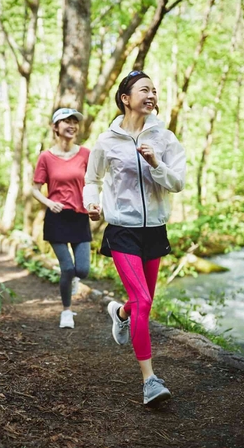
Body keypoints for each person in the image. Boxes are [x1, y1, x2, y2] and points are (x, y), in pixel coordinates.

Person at [83, 71, 186, 406]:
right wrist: (92, 204)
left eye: (155, 90)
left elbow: (178, 183)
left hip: (154, 229)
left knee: (143, 303)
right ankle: (149, 381)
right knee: (143, 300)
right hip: (122, 229)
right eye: (145, 89)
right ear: (126, 99)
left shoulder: (166, 138)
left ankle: (121, 315)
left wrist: (156, 163)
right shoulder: (107, 141)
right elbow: (91, 179)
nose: (152, 94)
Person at [32, 108, 92, 329]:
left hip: (79, 216)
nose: (72, 125)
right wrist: (49, 203)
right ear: (55, 127)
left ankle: (73, 281)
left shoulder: (86, 153)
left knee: (83, 270)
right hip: (57, 217)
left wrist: (95, 203)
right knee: (67, 268)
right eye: (66, 121)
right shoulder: (46, 157)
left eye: (75, 121)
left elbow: (94, 182)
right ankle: (66, 311)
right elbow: (35, 189)